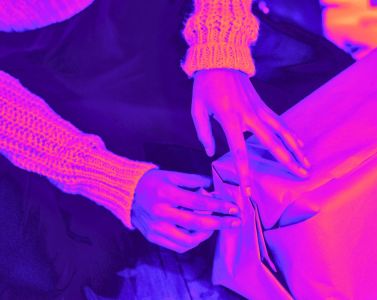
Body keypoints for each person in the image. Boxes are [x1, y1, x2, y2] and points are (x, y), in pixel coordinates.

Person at [0, 0, 309, 297]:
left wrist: (221, 46)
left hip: (164, 21)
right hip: (24, 89)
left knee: (303, 127)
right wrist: (107, 178)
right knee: (57, 261)